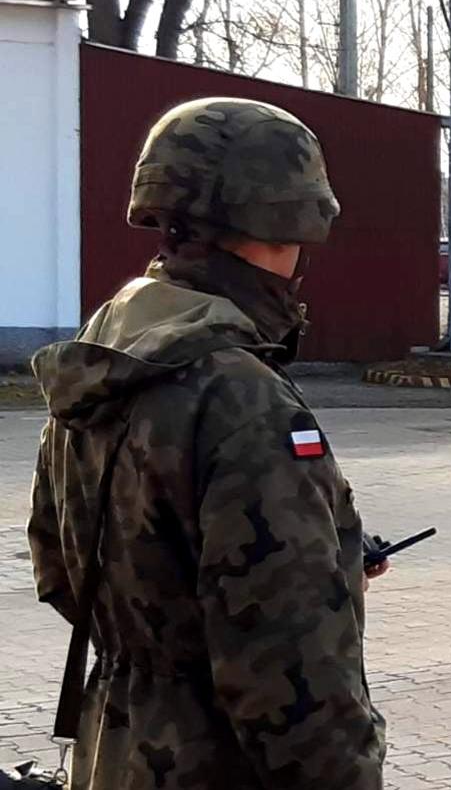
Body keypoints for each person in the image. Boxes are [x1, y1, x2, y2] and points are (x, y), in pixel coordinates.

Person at [26, 97, 386, 789]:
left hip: (117, 747)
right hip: (218, 762)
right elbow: (293, 683)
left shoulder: (102, 357)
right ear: (285, 214)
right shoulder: (238, 394)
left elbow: (58, 566)